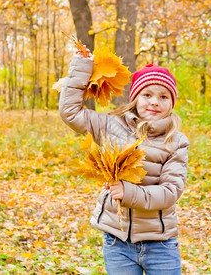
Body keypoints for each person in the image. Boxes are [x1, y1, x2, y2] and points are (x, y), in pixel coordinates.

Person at [59, 49, 189, 275]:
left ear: (172, 102)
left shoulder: (175, 142)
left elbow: (170, 192)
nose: (155, 102)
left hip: (160, 244)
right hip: (117, 242)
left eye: (163, 96)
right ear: (135, 98)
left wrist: (127, 192)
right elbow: (70, 113)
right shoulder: (111, 125)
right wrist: (82, 65)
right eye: (147, 95)